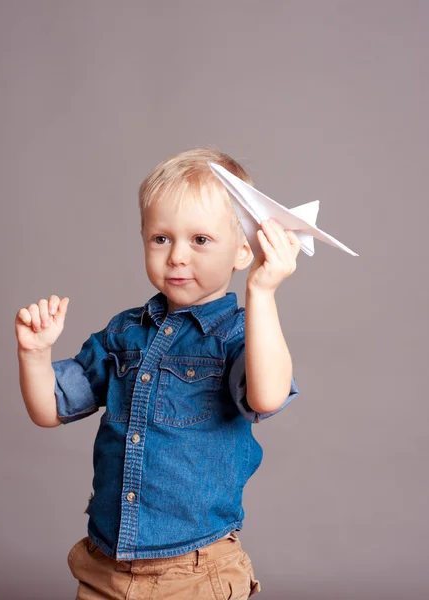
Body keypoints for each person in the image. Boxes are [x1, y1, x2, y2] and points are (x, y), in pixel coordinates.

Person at [15, 147, 302, 599]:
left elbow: (266, 396)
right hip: (105, 564)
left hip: (195, 569)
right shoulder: (124, 332)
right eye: (161, 238)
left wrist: (262, 293)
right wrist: (34, 355)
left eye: (200, 240)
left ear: (243, 249)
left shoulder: (238, 335)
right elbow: (49, 409)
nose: (177, 256)